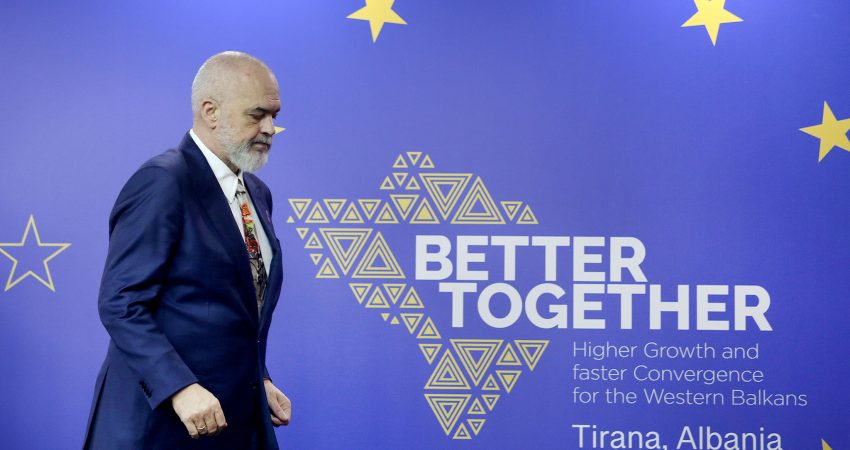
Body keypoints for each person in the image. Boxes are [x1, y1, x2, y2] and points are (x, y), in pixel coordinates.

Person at [83, 51, 291, 449]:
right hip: (158, 425)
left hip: (233, 422)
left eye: (274, 116)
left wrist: (259, 379)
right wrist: (179, 388)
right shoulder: (163, 181)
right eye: (257, 114)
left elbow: (236, 307)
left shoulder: (258, 193)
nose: (269, 128)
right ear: (210, 111)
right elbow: (121, 302)